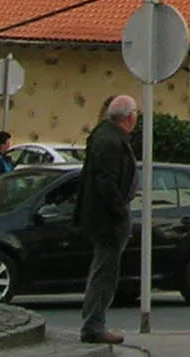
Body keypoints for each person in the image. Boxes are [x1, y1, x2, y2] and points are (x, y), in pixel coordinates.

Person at [75, 93, 139, 345]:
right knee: (105, 272)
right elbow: (106, 182)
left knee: (102, 270)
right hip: (108, 219)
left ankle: (94, 322)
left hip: (105, 216)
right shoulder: (110, 141)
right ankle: (93, 325)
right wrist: (120, 211)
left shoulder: (105, 136)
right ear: (130, 117)